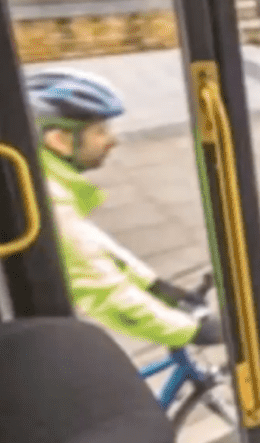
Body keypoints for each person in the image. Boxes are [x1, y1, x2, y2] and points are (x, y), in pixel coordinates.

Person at [25, 69, 223, 350]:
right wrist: (191, 332)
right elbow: (103, 292)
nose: (113, 140)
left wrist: (157, 287)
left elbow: (93, 247)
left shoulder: (43, 182)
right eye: (100, 131)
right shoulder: (49, 201)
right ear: (60, 140)